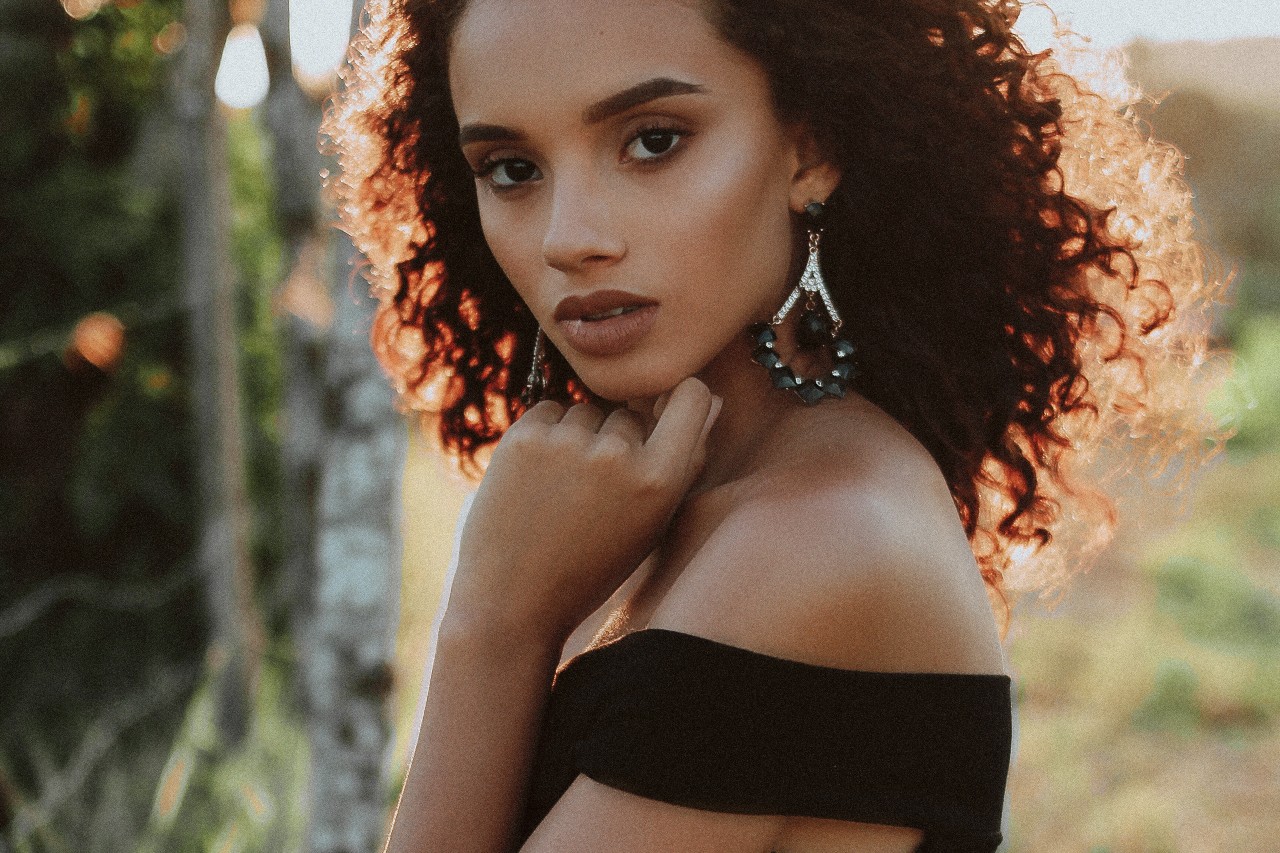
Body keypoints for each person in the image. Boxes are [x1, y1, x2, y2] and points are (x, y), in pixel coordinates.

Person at [324, 0, 1224, 850]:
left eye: (652, 141)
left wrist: (493, 625)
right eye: (512, 169)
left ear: (809, 148)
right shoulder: (643, 502)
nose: (570, 236)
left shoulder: (822, 542)